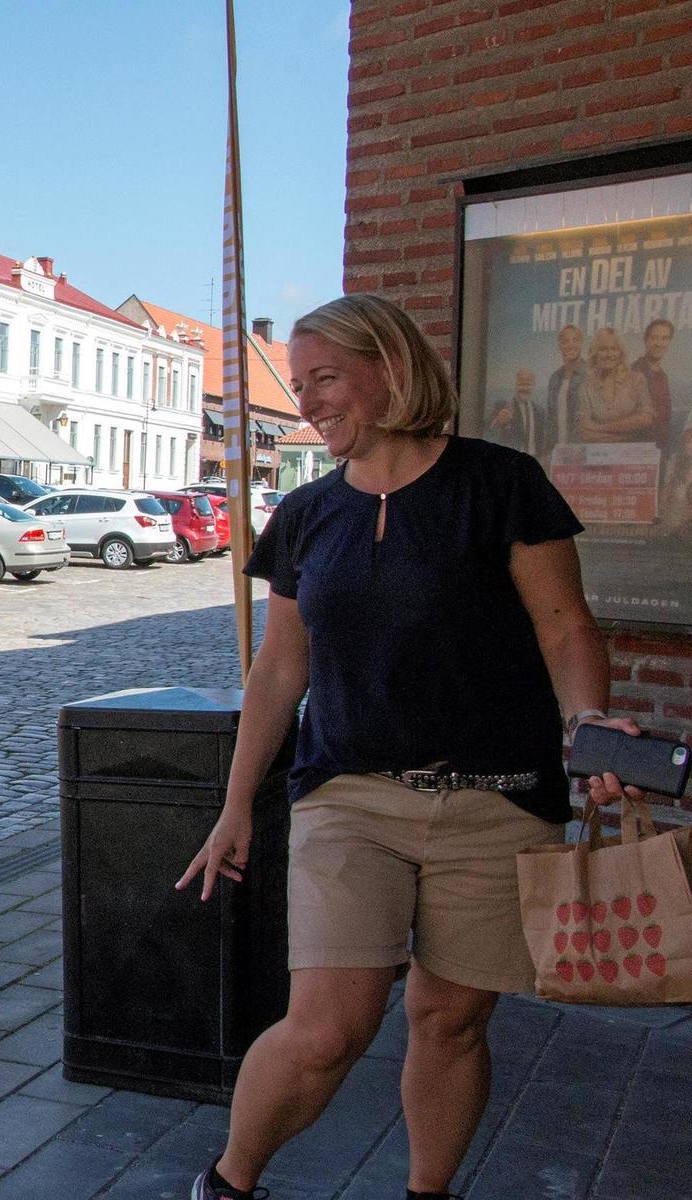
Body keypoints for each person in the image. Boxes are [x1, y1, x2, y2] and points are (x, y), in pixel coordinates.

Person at [177, 295, 645, 1200]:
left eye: (322, 380)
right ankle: (229, 1184)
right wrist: (236, 805)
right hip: (350, 796)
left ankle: (427, 1191)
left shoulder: (501, 484)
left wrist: (588, 725)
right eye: (299, 384)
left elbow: (563, 627)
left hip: (500, 801)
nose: (306, 402)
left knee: (450, 1021)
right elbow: (279, 673)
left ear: (391, 368)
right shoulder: (307, 515)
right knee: (325, 1029)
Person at [577, 326, 651, 442]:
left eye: (614, 349)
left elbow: (646, 418)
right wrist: (626, 434)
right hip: (599, 454)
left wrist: (600, 428)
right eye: (603, 349)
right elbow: (585, 432)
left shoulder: (637, 379)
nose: (609, 354)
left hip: (632, 454)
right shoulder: (586, 386)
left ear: (621, 353)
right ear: (595, 353)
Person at [486, 366, 550, 460]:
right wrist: (498, 421)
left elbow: (542, 438)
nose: (524, 388)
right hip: (511, 460)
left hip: (534, 461)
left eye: (528, 384)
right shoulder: (503, 406)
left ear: (534, 385)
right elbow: (487, 426)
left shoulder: (540, 411)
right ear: (516, 384)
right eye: (521, 384)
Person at [632, 317, 676, 450]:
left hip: (660, 446)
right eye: (655, 337)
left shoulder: (662, 374)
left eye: (665, 338)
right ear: (646, 340)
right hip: (639, 448)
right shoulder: (634, 370)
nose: (659, 343)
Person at [546, 323, 585, 443]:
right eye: (565, 341)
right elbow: (550, 417)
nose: (571, 345)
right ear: (560, 346)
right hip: (557, 449)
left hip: (582, 448)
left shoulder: (591, 374)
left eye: (575, 340)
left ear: (581, 343)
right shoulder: (554, 378)